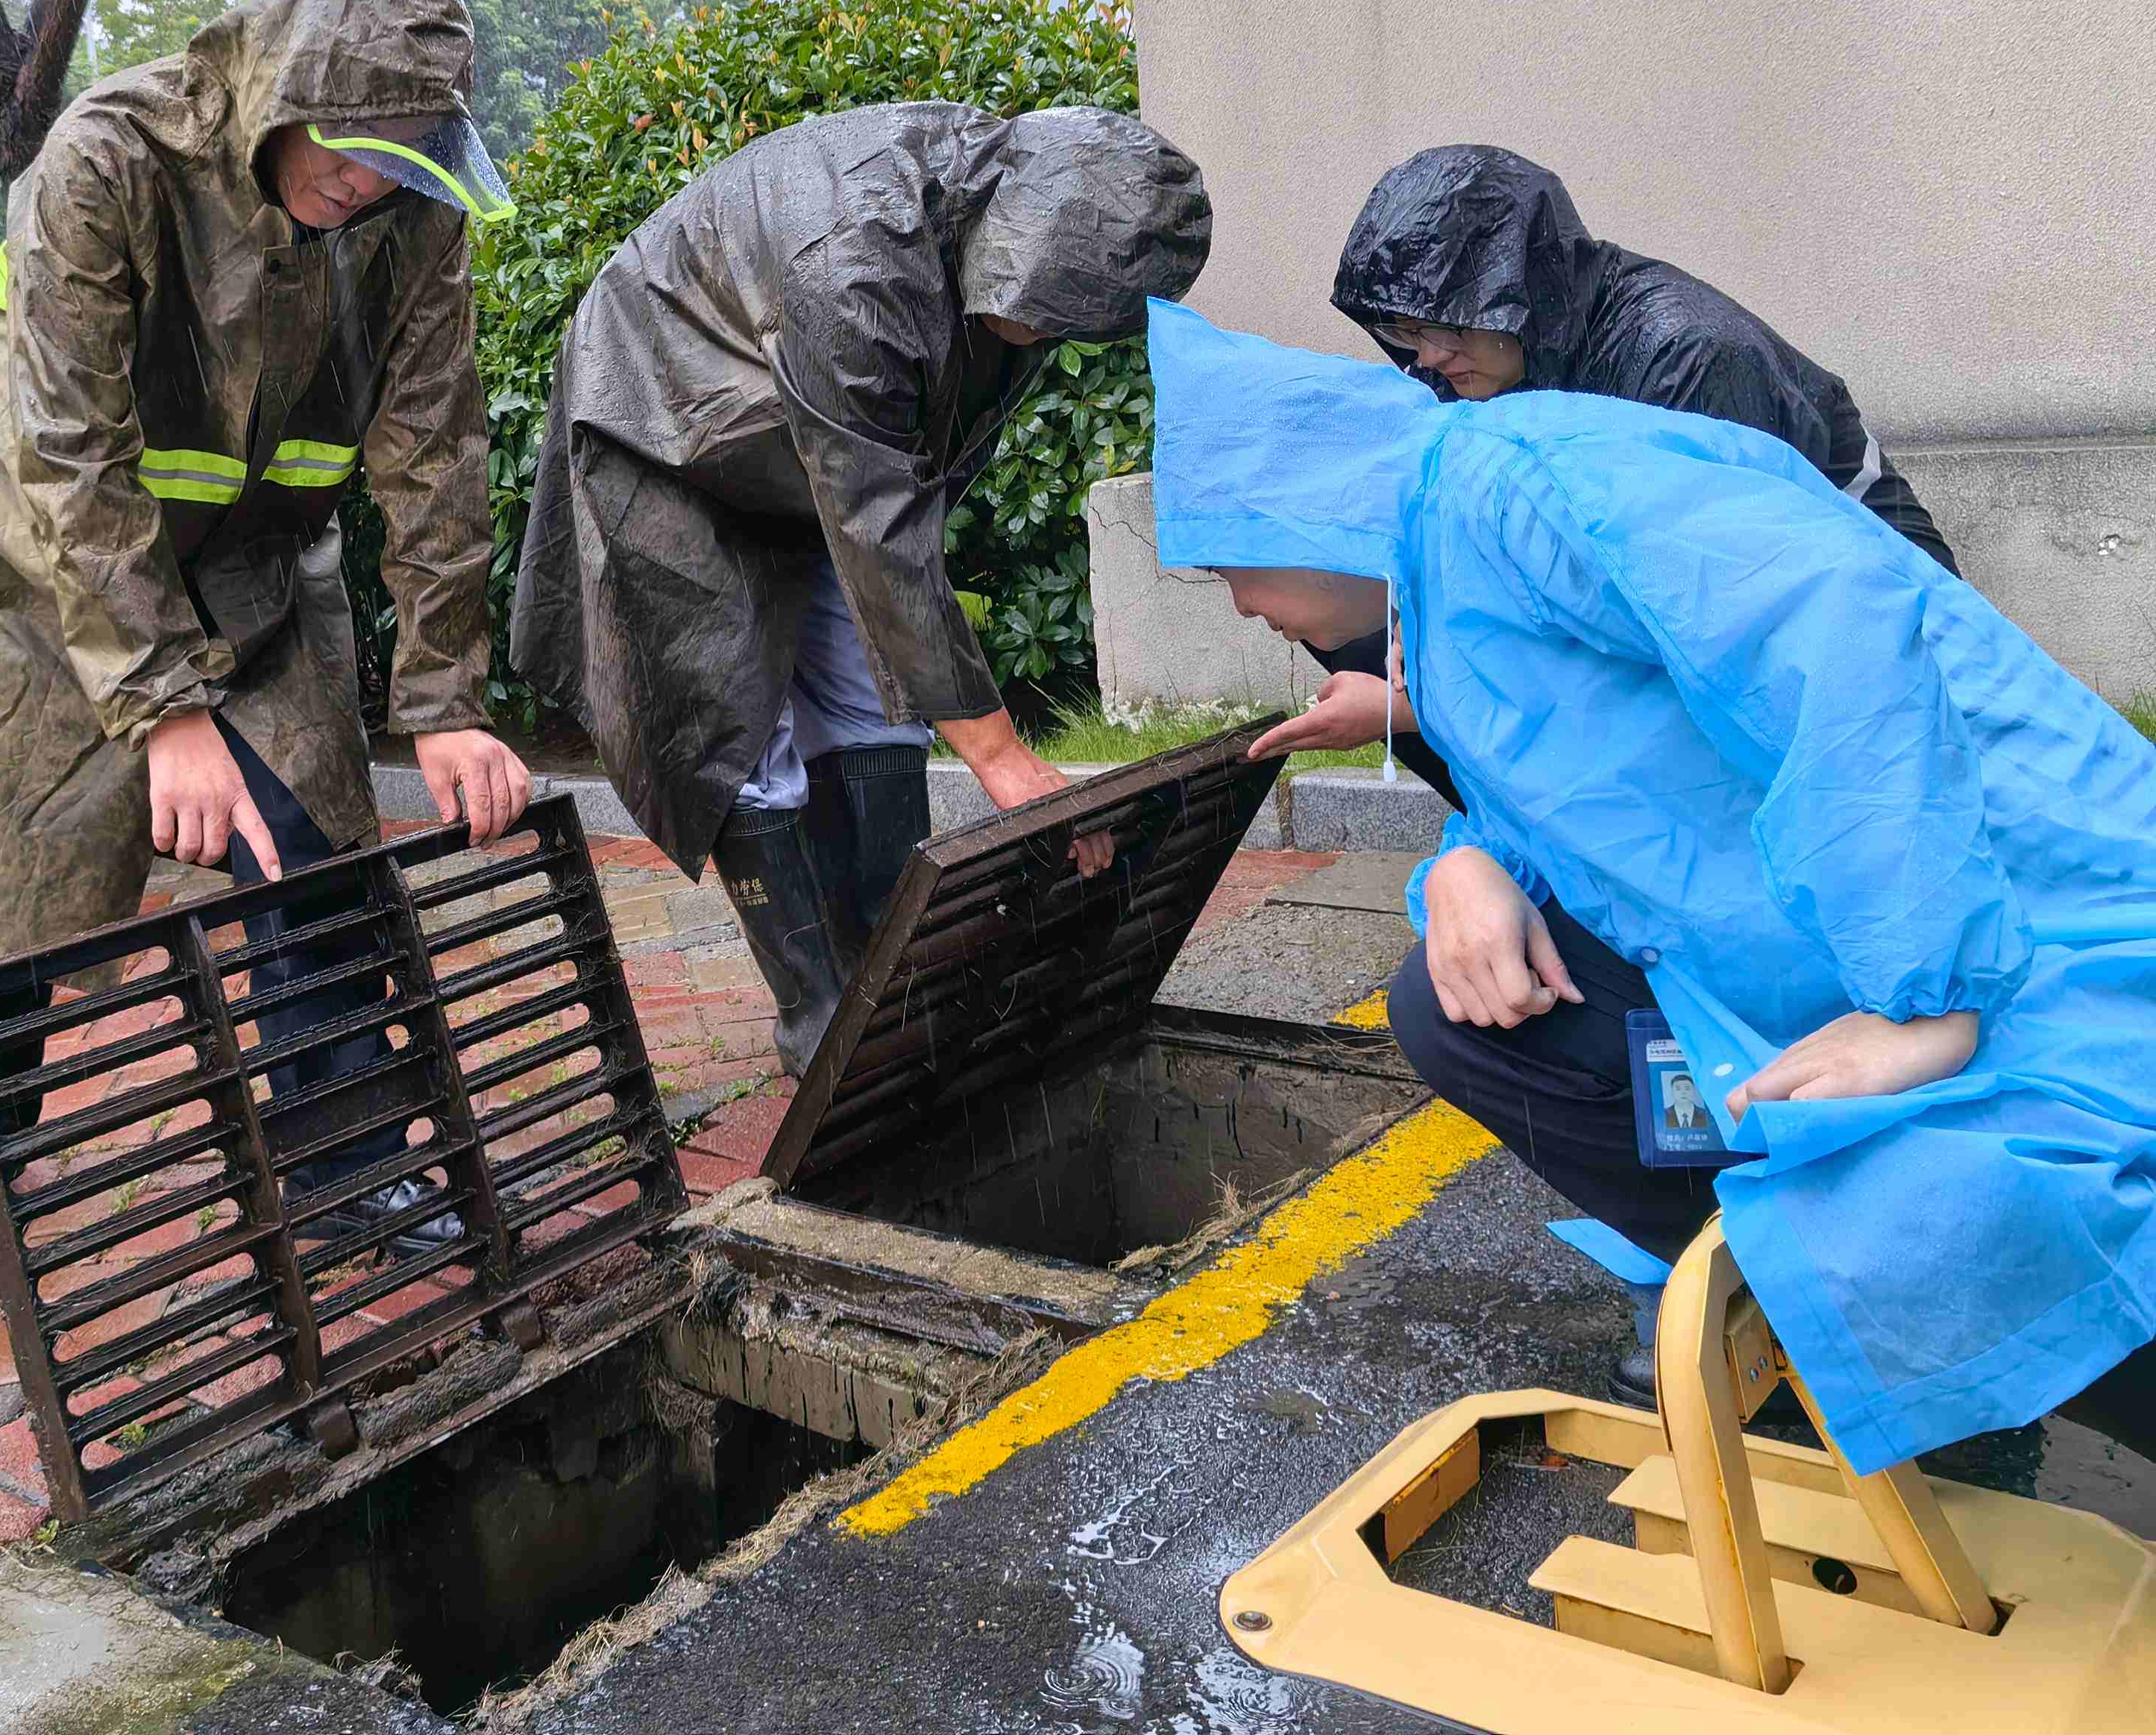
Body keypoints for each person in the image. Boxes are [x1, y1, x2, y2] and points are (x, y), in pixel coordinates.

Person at [1149, 300, 2156, 1472]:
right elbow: (1572, 776)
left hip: (2018, 899)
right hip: (1842, 920)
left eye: (1228, 563)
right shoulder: (1437, 567)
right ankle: (1815, 1323)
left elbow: (1831, 628)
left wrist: (1927, 1001)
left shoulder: (1517, 485)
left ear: (1295, 506)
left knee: (1986, 1192)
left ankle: (1949, 1350)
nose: (1240, 607)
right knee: (1451, 1003)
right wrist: (1470, 868)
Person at [0, 0, 532, 1257]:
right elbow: (68, 447)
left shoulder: (412, 229)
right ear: (283, 93)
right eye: (351, 149)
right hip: (43, 552)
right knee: (13, 855)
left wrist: (448, 700)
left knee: (310, 843)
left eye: (405, 164)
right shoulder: (108, 160)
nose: (369, 185)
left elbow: (432, 455)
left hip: (250, 561)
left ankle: (347, 1165)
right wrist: (165, 713)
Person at [511, 103, 1211, 1075]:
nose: (1041, 332)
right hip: (665, 422)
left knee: (873, 698)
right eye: (1039, 306)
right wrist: (1005, 761)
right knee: (731, 712)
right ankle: (820, 1014)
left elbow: (903, 499)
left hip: (804, 453)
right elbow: (879, 522)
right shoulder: (849, 258)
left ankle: (892, 967)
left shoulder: (1016, 243)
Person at [1260, 142, 1956, 774]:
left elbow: (1717, 614)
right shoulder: (1484, 359)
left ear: (1520, 292)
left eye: (1446, 326)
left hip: (1883, 632)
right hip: (1726, 618)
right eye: (1406, 330)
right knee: (1376, 628)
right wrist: (1419, 612)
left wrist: (1421, 708)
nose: (1429, 356)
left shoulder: (1687, 357)